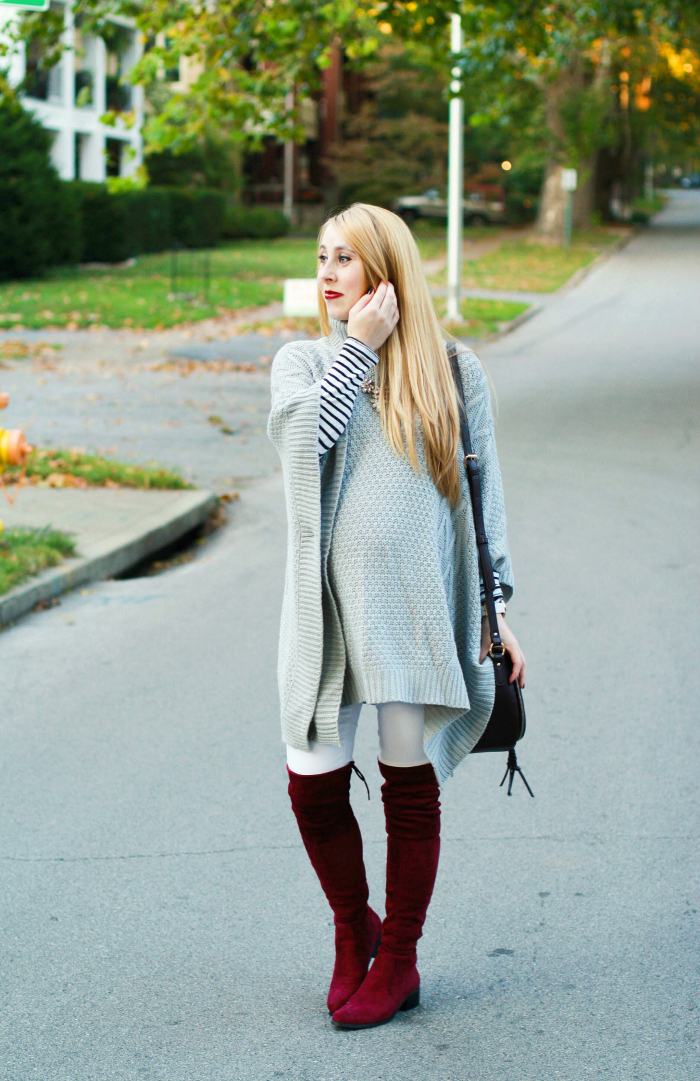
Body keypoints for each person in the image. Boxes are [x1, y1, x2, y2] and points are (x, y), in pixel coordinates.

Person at [267, 203, 525, 1030]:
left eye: (347, 256)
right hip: (325, 611)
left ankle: (402, 956)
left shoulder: (455, 370)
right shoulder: (305, 361)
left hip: (411, 610)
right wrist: (360, 349)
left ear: (387, 270)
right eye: (322, 256)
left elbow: (484, 503)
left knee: (408, 779)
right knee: (313, 784)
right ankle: (355, 930)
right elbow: (304, 450)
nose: (329, 271)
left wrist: (498, 611)